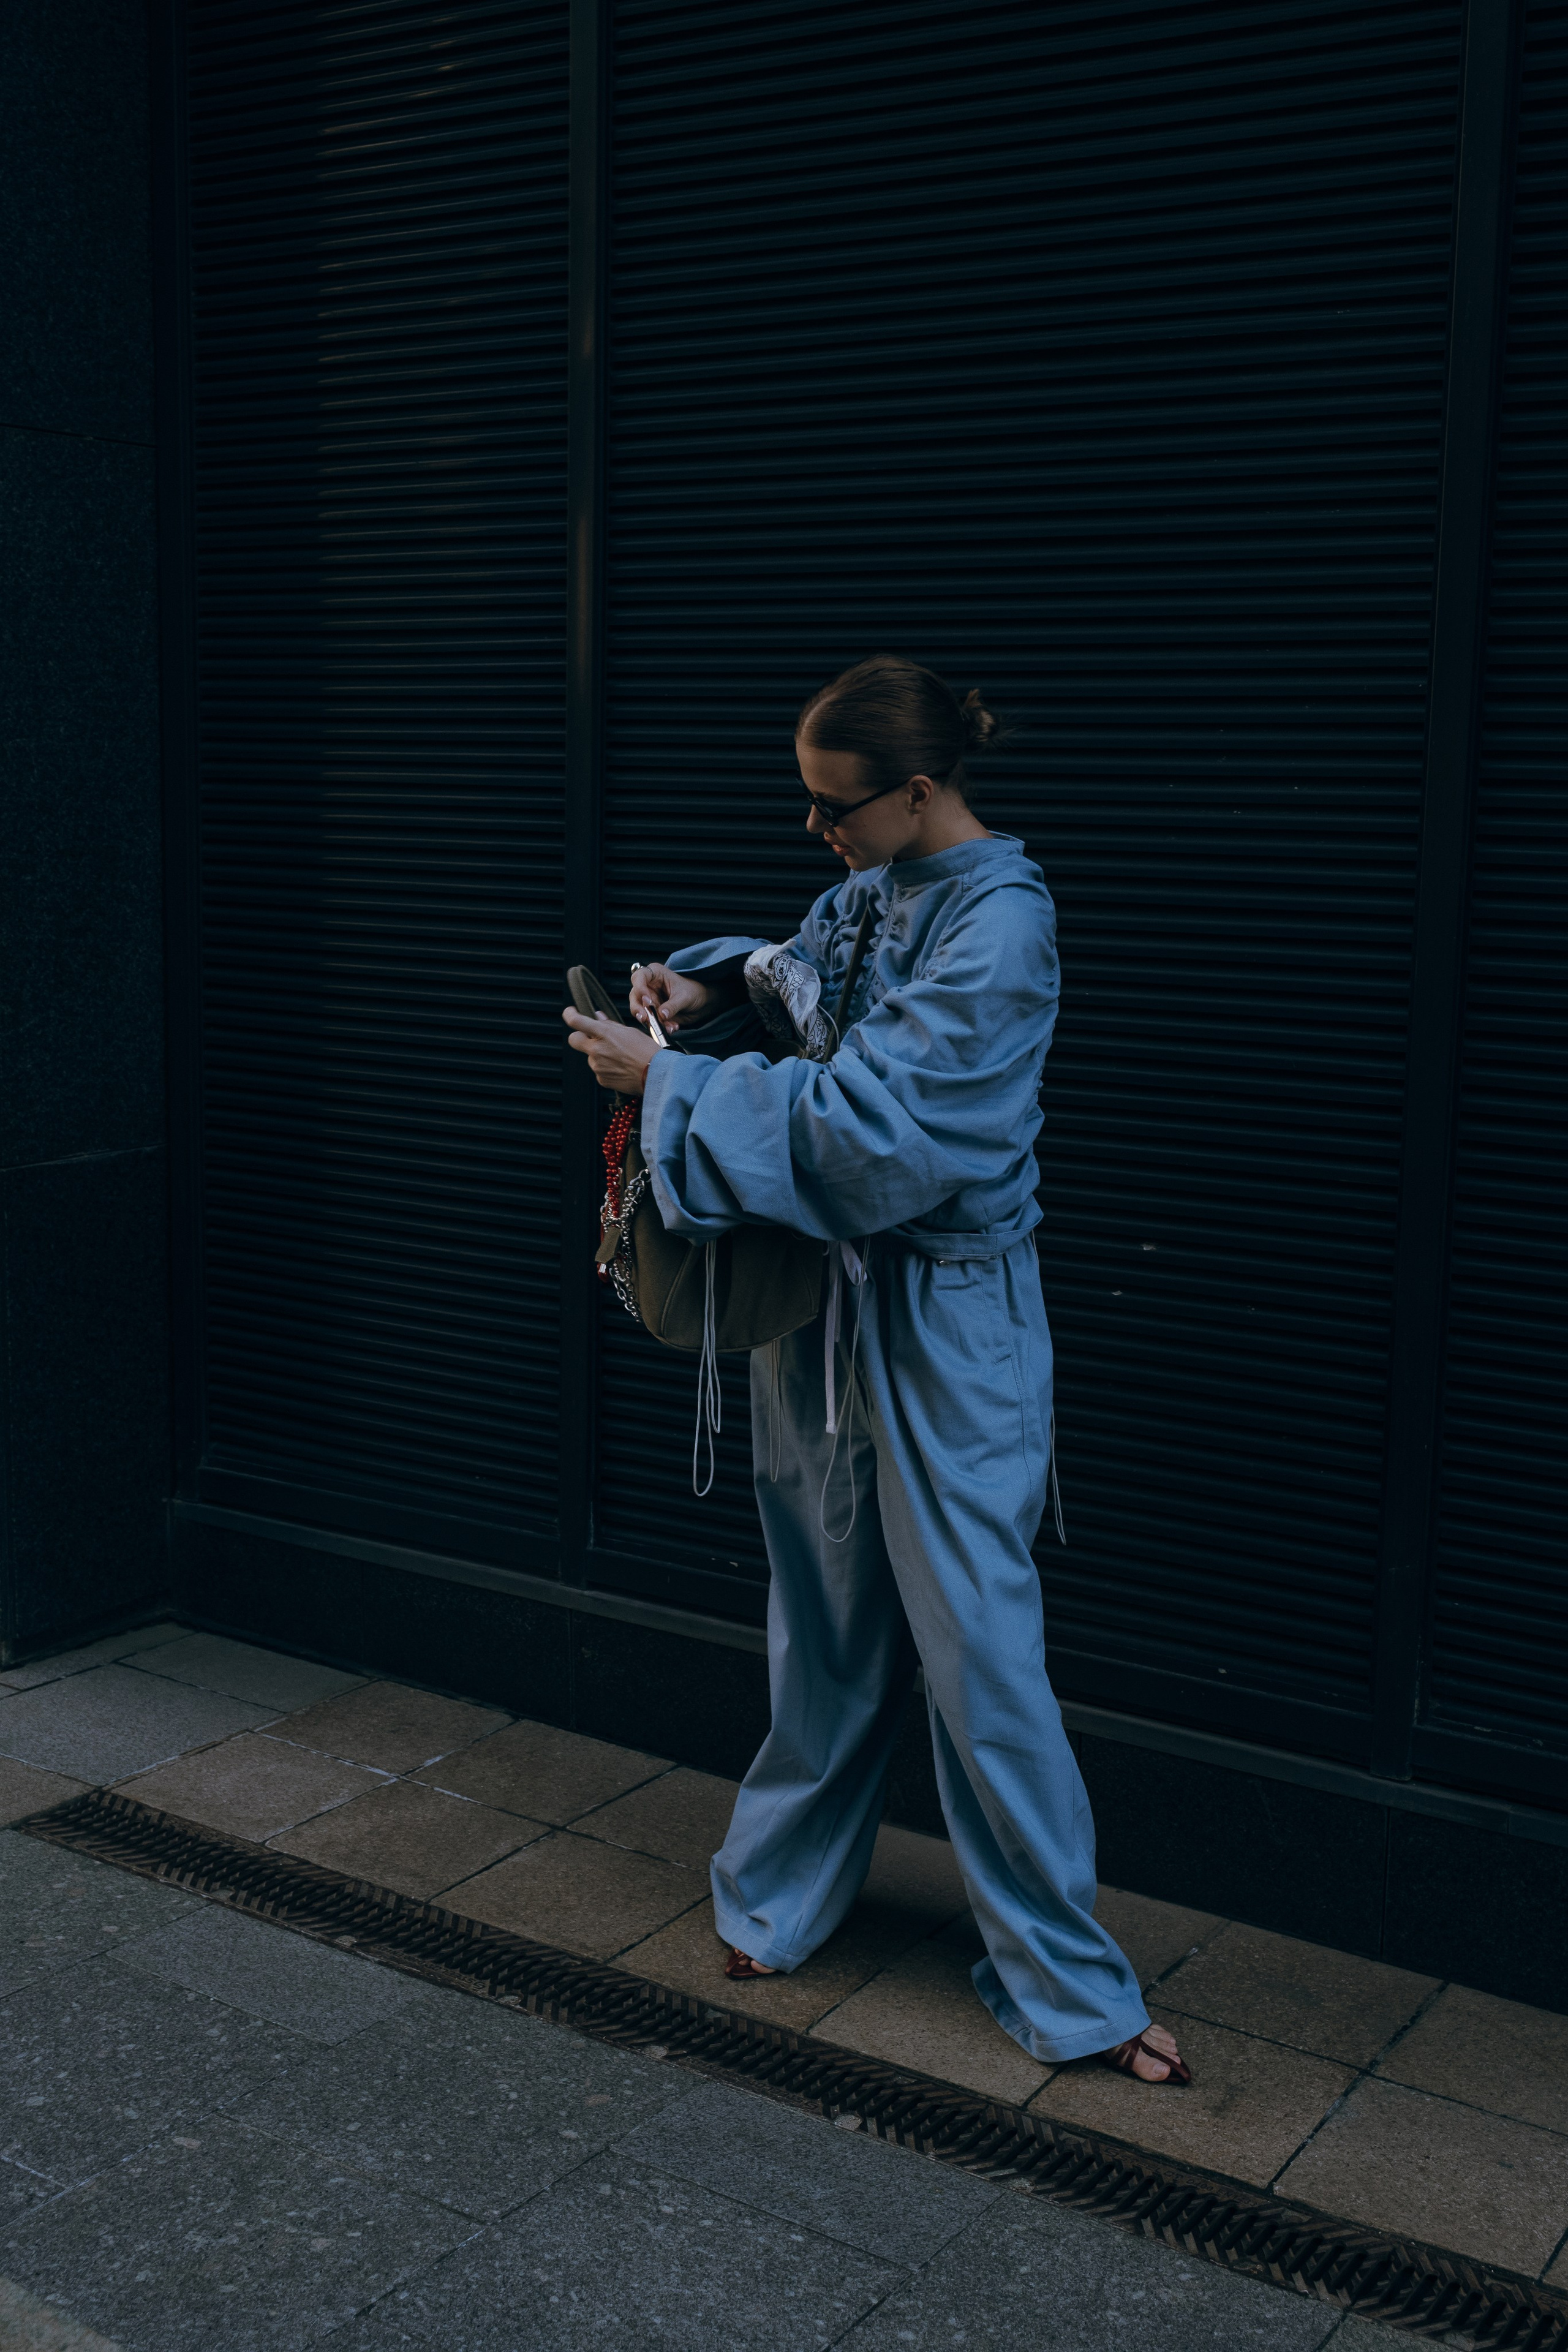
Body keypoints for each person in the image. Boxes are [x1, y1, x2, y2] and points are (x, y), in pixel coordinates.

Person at [562, 655, 1191, 2086]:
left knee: (980, 1653)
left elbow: (886, 1125)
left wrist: (665, 1082)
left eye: (835, 808)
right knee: (824, 1620)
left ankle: (1068, 1986)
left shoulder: (1006, 923)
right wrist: (703, 985)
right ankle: (779, 1895)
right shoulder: (870, 887)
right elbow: (801, 978)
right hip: (828, 1311)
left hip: (949, 1316)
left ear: (916, 793)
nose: (816, 833)